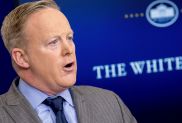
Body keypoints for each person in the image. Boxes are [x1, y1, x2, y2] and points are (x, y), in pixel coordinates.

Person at [0, 0, 137, 123]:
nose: (68, 50)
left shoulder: (110, 102)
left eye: (69, 38)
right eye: (53, 42)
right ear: (21, 58)